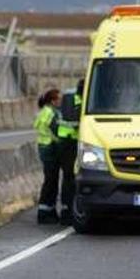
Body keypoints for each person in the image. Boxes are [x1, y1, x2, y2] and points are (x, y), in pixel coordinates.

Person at [55, 79, 85, 226]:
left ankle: (69, 210)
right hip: (70, 142)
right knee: (70, 177)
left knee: (70, 177)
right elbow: (75, 120)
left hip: (70, 141)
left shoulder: (71, 96)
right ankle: (67, 212)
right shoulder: (75, 99)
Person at [34, 88, 63, 225]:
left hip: (44, 147)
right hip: (49, 147)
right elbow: (47, 129)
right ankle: (45, 212)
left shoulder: (45, 111)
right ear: (53, 101)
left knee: (51, 179)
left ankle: (48, 211)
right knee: (51, 180)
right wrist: (57, 139)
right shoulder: (50, 113)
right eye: (59, 99)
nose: (61, 102)